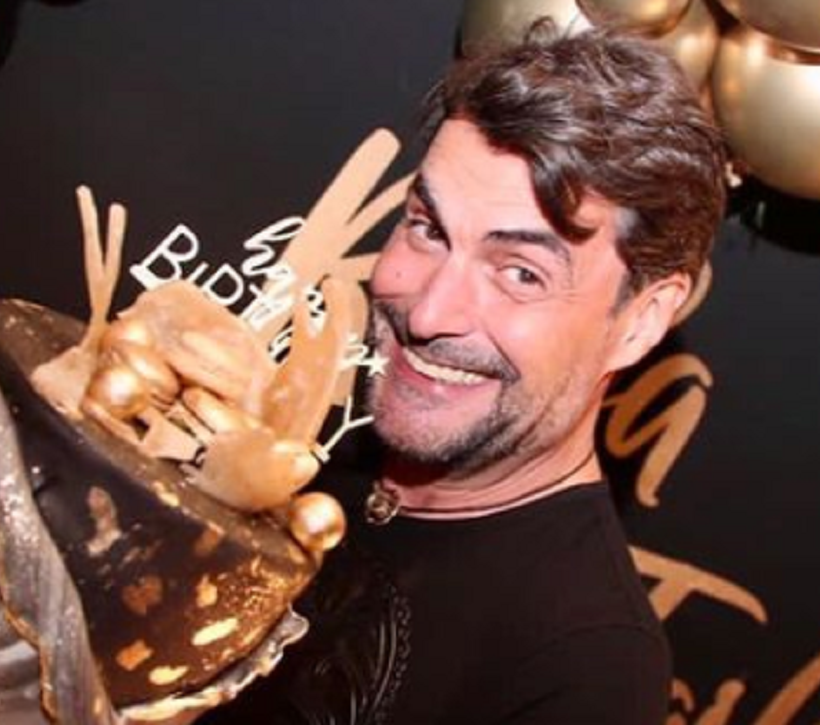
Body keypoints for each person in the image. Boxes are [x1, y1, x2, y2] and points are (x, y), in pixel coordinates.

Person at [208, 20, 726, 725]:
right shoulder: (305, 433)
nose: (428, 313)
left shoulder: (588, 670)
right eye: (428, 228)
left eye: (520, 273)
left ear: (638, 321)